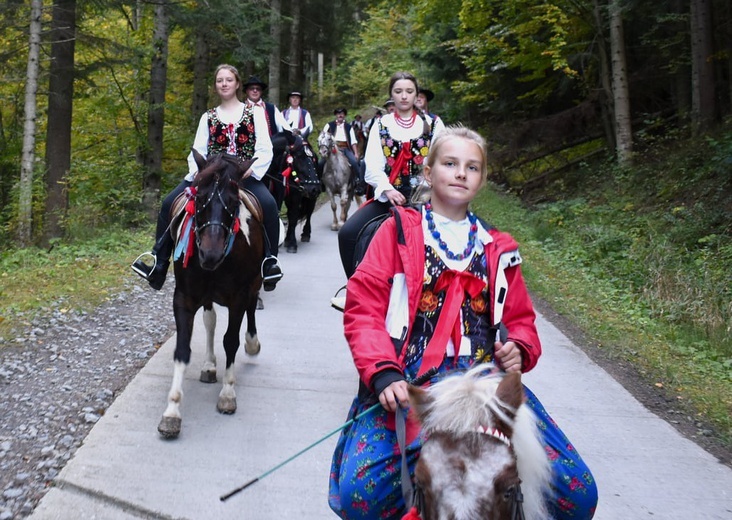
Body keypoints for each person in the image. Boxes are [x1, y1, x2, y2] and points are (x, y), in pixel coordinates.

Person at [328, 125, 598, 520]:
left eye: (472, 167)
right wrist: (382, 372)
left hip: (484, 381)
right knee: (361, 495)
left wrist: (519, 347)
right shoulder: (397, 232)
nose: (460, 173)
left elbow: (522, 319)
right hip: (410, 380)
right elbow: (364, 309)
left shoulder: (499, 246)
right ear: (429, 171)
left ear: (482, 179)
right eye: (450, 163)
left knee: (577, 493)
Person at [131, 65, 284, 292]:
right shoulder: (208, 116)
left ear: (237, 84)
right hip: (210, 175)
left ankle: (269, 263)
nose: (224, 84)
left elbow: (265, 148)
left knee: (269, 205)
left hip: (242, 175)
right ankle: (159, 262)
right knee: (168, 203)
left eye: (229, 80)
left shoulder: (255, 114)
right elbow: (198, 149)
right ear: (215, 85)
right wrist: (197, 172)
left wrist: (253, 169)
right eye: (220, 80)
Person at [336, 71, 445, 281]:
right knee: (348, 233)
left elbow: (443, 161)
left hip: (428, 200)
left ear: (416, 95)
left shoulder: (434, 124)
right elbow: (373, 167)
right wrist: (388, 189)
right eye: (398, 91)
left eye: (409, 91)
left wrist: (427, 190)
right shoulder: (382, 124)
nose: (404, 96)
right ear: (391, 95)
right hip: (390, 196)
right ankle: (355, 286)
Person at [319, 108, 365, 195]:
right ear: (336, 115)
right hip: (331, 149)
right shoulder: (329, 125)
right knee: (321, 163)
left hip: (345, 148)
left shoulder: (348, 127)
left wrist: (355, 153)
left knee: (354, 162)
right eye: (338, 113)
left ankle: (360, 183)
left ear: (344, 115)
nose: (340, 115)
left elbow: (353, 142)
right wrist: (323, 149)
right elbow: (323, 136)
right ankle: (320, 182)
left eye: (342, 113)